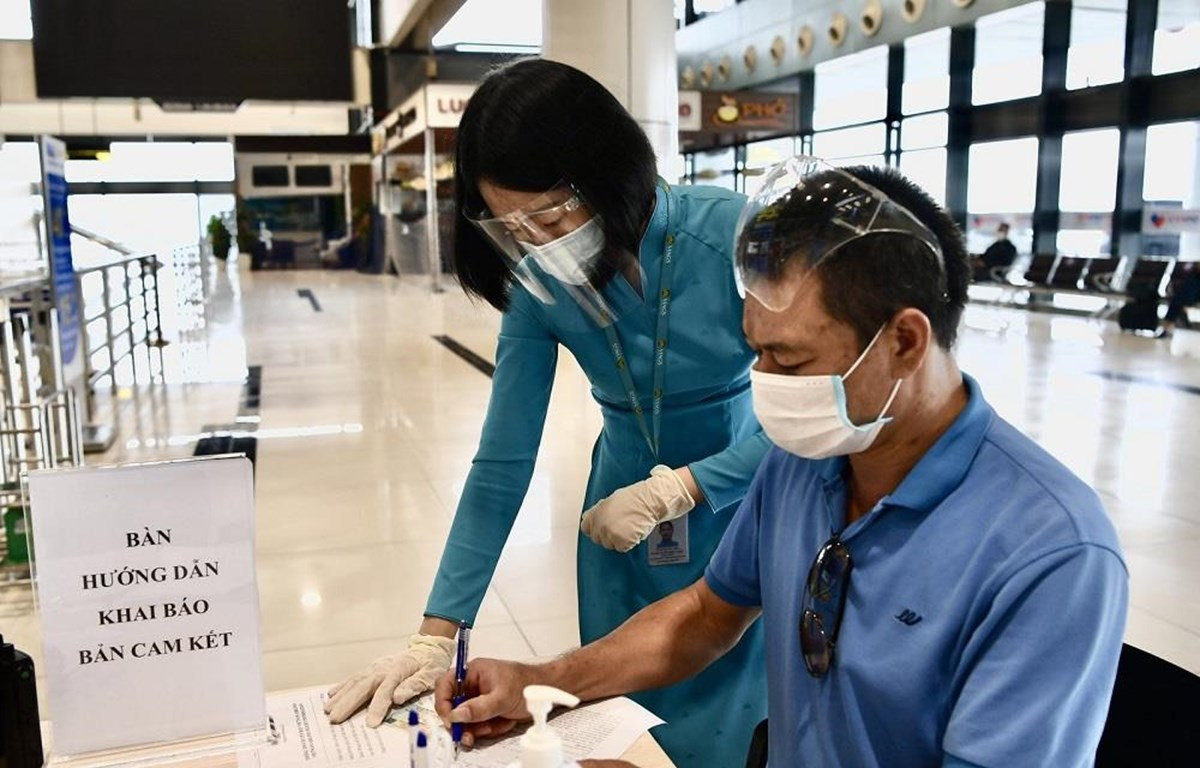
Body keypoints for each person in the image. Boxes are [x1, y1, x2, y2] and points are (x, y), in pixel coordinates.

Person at [433, 159, 1128, 767]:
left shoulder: (1050, 555)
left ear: (906, 342)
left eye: (788, 359)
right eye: (754, 352)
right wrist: (544, 679)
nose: (766, 386)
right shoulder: (808, 460)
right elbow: (707, 614)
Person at [325, 59, 770, 768]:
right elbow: (502, 464)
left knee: (741, 714)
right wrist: (436, 632)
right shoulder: (539, 284)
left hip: (742, 496)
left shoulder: (732, 238)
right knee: (623, 720)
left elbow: (821, 413)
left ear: (609, 172)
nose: (534, 240)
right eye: (510, 224)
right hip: (617, 516)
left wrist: (683, 487)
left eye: (551, 214)